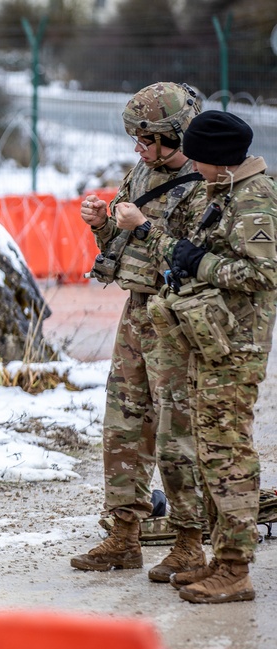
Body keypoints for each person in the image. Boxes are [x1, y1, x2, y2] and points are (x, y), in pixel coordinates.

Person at [116, 110, 277, 603]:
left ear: (221, 160)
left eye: (203, 161)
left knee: (227, 454)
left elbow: (264, 273)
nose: (197, 169)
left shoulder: (254, 199)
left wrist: (197, 261)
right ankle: (219, 558)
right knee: (210, 451)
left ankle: (235, 568)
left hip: (236, 347)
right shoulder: (223, 191)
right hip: (209, 340)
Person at [70, 82, 207, 581]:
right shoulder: (143, 172)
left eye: (147, 138)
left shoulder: (209, 179)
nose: (139, 148)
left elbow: (198, 259)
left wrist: (145, 226)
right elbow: (123, 244)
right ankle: (124, 535)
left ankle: (190, 542)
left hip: (179, 316)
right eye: (136, 138)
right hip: (139, 311)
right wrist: (103, 224)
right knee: (124, 425)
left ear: (176, 134)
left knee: (177, 431)